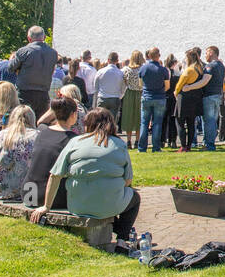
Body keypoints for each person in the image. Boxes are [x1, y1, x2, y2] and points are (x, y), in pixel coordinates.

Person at [29, 107, 140, 241]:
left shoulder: (75, 142)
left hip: (78, 206)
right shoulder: (119, 144)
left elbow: (55, 175)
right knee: (135, 198)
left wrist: (46, 206)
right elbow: (128, 180)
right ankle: (122, 240)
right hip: (110, 205)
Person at [23, 96, 79, 208]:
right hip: (50, 197)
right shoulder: (73, 139)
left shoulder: (42, 132)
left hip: (29, 193)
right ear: (73, 114)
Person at [9, 26, 60, 118]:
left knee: (23, 122)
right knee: (40, 124)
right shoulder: (53, 53)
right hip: (43, 94)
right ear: (44, 37)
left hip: (25, 93)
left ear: (29, 38)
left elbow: (10, 68)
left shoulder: (23, 51)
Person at [136, 48, 170, 153]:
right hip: (159, 97)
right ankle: (156, 147)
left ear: (148, 56)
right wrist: (159, 90)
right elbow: (167, 86)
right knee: (157, 123)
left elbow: (140, 84)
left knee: (144, 123)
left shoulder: (143, 68)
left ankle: (142, 148)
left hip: (146, 96)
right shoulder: (163, 70)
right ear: (158, 56)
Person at [119, 51, 144, 148]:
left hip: (129, 93)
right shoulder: (142, 69)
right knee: (138, 117)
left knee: (128, 116)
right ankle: (137, 140)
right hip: (140, 93)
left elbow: (124, 81)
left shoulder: (126, 69)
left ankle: (129, 140)